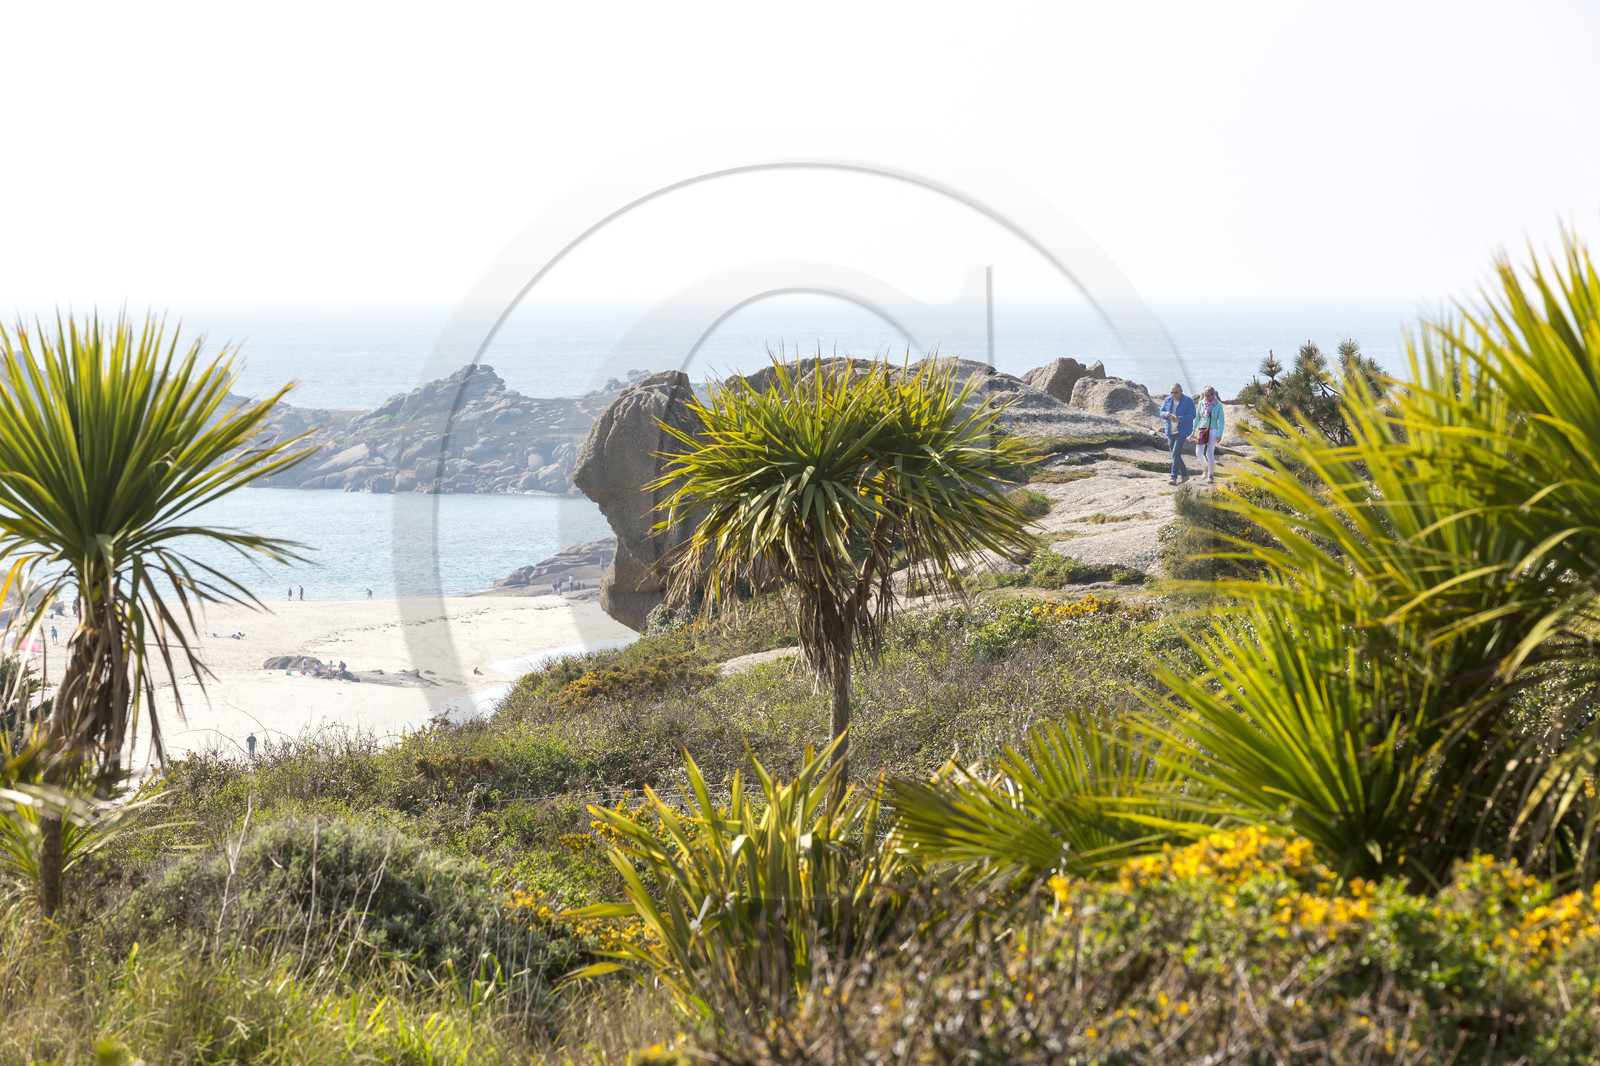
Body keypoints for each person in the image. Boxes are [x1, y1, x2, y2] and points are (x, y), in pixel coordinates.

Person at [1159, 383, 1196, 484]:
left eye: (1176, 392)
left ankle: (1173, 477)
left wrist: (1179, 419)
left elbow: (1193, 414)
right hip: (1170, 431)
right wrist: (1165, 414)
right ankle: (1184, 475)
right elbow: (1161, 412)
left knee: (1175, 453)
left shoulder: (1188, 401)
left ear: (1181, 391)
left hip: (1182, 431)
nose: (1173, 394)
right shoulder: (1167, 400)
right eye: (1172, 392)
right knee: (1175, 454)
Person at [1194, 386, 1225, 483]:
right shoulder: (1201, 403)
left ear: (1213, 395)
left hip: (1213, 430)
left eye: (1208, 395)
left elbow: (1222, 420)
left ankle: (1211, 476)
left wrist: (1219, 434)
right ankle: (1205, 468)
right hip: (1201, 430)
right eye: (1204, 395)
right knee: (1198, 452)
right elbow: (1197, 417)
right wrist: (1193, 431)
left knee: (1209, 453)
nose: (1206, 397)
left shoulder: (1218, 405)